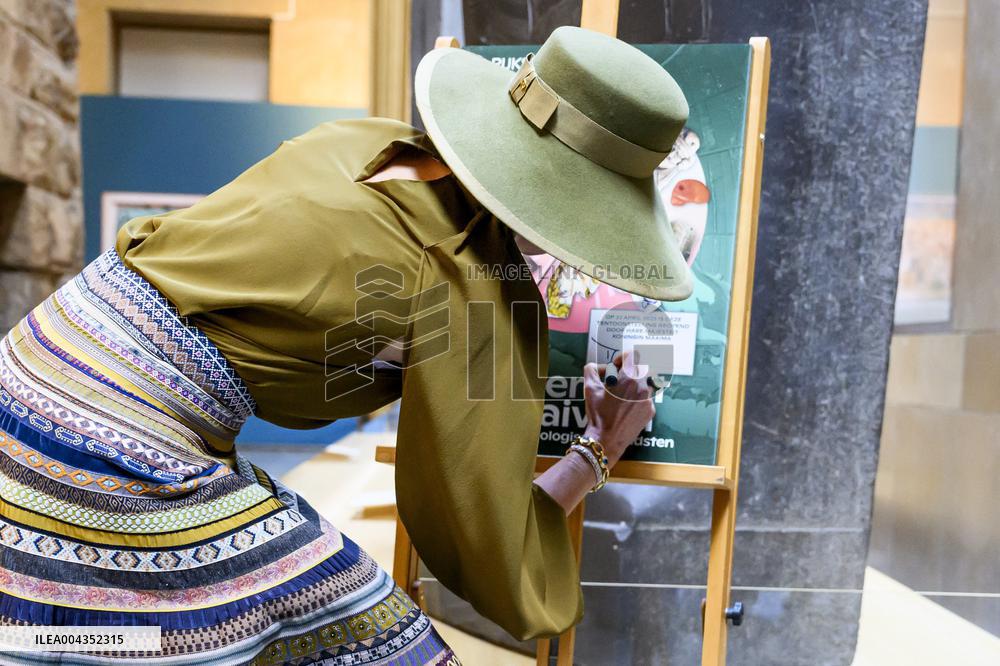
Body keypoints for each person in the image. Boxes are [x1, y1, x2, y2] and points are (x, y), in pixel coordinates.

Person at [0, 27, 689, 665]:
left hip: (38, 359)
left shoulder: (365, 141)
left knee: (86, 623)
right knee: (378, 644)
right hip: (117, 445)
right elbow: (481, 535)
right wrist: (598, 448)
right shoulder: (475, 286)